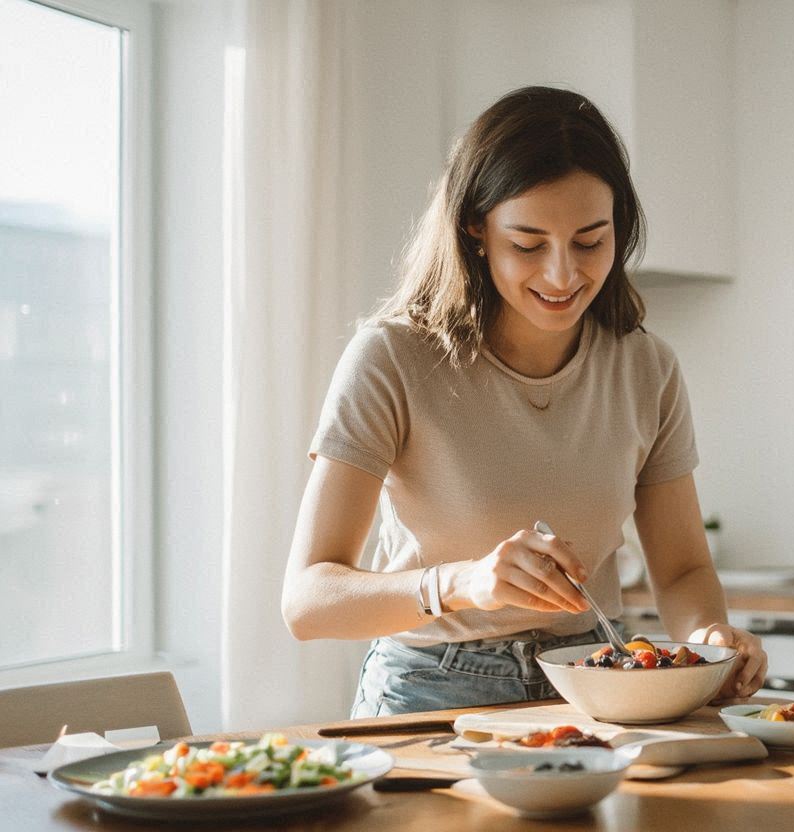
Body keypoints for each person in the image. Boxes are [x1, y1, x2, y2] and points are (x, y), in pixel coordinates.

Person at [281, 85, 767, 717]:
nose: (563, 275)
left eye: (590, 241)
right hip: (433, 689)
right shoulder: (392, 359)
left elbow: (680, 570)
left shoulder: (647, 368)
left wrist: (707, 639)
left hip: (597, 680)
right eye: (529, 244)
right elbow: (307, 600)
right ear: (476, 229)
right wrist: (461, 583)